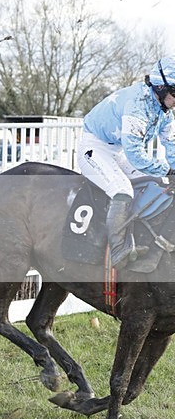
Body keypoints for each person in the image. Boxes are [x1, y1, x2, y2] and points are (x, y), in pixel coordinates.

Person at [77, 57, 175, 269]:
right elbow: (135, 155)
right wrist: (167, 170)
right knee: (122, 191)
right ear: (161, 88)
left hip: (117, 152)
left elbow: (172, 144)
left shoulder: (164, 111)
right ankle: (118, 250)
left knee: (156, 183)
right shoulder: (137, 106)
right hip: (94, 149)